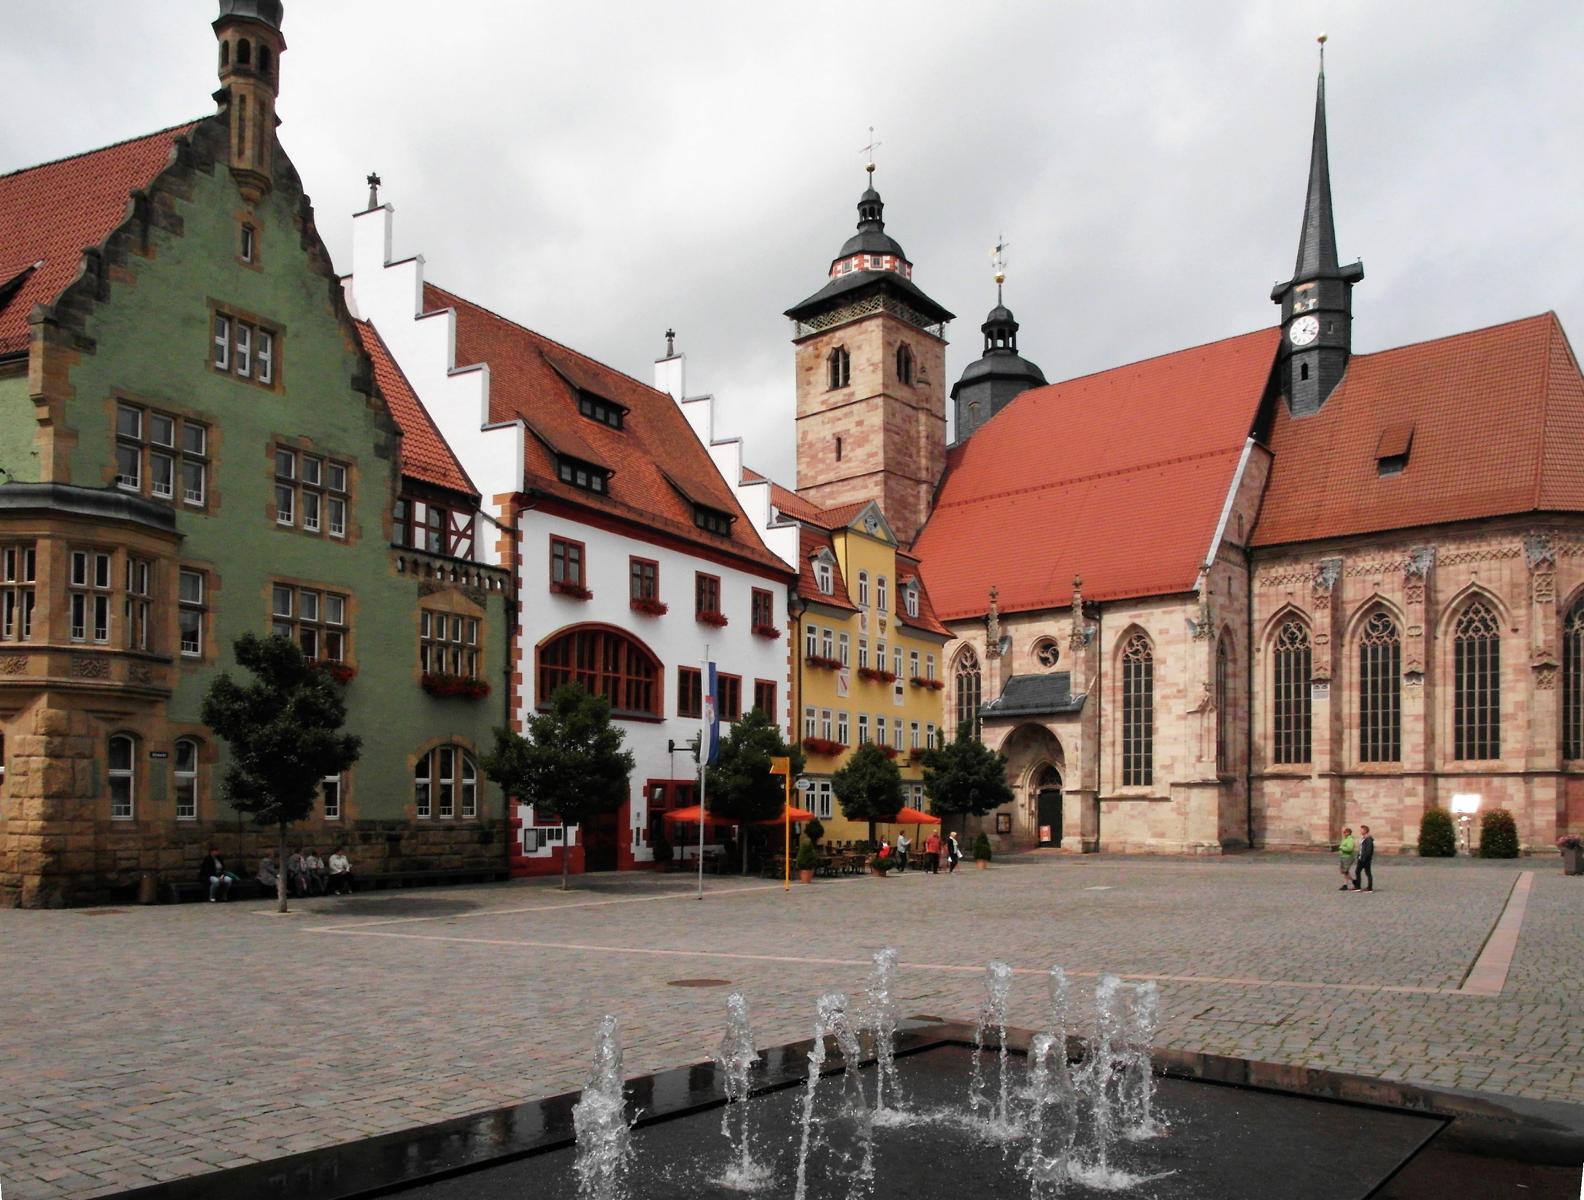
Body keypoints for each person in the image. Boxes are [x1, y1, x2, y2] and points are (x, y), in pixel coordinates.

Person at [1352, 825, 1375, 892]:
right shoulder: (1364, 838)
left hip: (1364, 859)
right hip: (1362, 858)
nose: (1360, 831)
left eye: (1361, 830)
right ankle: (1364, 887)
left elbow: (1368, 850)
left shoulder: (1368, 839)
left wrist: (1363, 858)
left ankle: (1363, 887)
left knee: (1361, 872)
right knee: (1363, 872)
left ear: (1365, 831)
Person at [1337, 827, 1356, 891]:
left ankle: (1347, 884)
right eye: (1343, 832)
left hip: (1348, 857)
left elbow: (1350, 848)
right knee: (1344, 871)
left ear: (1348, 833)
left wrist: (1342, 848)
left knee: (1345, 871)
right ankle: (1352, 882)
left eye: (1345, 832)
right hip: (1343, 856)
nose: (1343, 833)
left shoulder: (1350, 839)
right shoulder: (1345, 839)